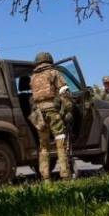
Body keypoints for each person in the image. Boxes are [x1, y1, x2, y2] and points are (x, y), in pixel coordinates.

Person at [29, 52, 72, 181]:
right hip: (53, 112)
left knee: (43, 146)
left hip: (39, 115)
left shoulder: (33, 77)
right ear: (49, 61)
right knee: (61, 142)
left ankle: (46, 178)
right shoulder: (54, 73)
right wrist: (68, 110)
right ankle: (65, 175)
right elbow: (64, 93)